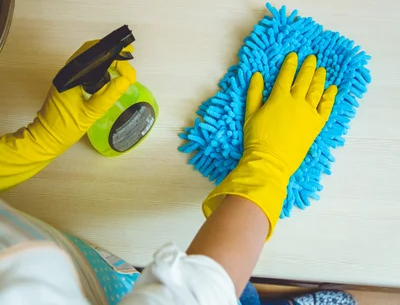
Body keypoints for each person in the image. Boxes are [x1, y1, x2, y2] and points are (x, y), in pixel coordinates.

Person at [0, 42, 355, 305]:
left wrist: (33, 146)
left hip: (91, 268)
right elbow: (196, 294)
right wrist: (270, 164)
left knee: (242, 291)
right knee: (237, 291)